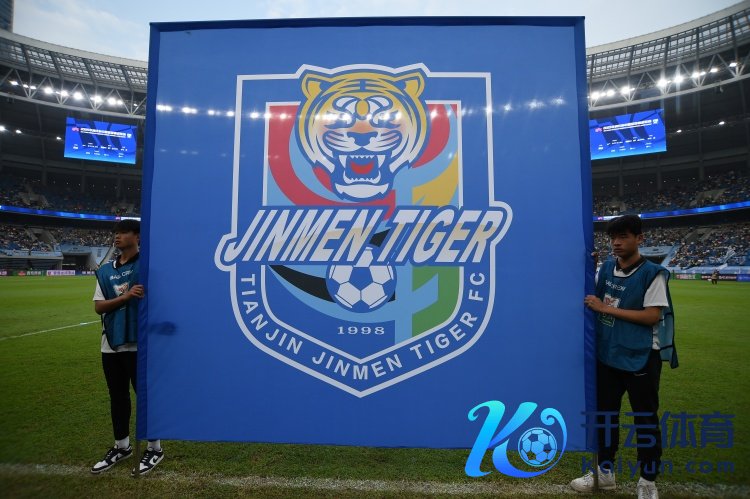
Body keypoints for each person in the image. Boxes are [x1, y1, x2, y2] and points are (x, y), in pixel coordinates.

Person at [571, 215, 677, 499]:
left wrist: (605, 309)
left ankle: (647, 481)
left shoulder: (653, 273)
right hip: (608, 355)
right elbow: (590, 296)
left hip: (641, 356)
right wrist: (589, 269)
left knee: (645, 420)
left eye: (624, 237)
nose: (616, 243)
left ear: (640, 239)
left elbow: (651, 316)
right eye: (613, 238)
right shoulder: (606, 267)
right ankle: (605, 472)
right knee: (605, 418)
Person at [90, 219, 164, 476]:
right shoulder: (105, 271)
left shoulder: (148, 266)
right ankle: (122, 446)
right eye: (116, 232)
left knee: (145, 396)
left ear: (138, 236)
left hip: (140, 344)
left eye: (123, 232)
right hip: (111, 343)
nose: (117, 236)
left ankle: (154, 448)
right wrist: (126, 297)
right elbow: (98, 306)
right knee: (118, 396)